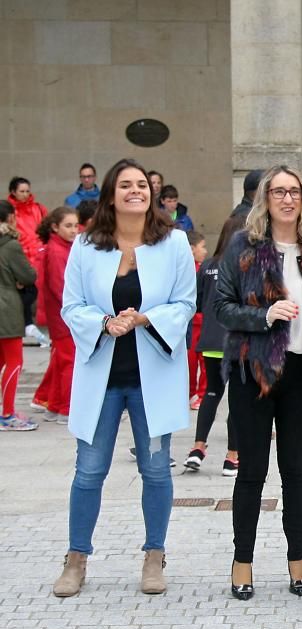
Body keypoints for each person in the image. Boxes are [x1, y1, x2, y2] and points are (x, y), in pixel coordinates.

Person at [52, 158, 196, 597]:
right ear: (110, 193)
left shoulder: (174, 243)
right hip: (103, 376)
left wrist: (147, 318)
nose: (136, 191)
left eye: (142, 185)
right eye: (126, 185)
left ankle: (155, 555)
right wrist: (102, 323)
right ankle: (77, 558)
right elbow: (70, 306)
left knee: (155, 470)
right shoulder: (86, 246)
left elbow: (186, 304)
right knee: (88, 471)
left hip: (152, 376)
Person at [215, 165, 302, 601]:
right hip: (255, 370)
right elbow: (222, 307)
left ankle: (296, 556)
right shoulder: (243, 246)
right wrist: (264, 316)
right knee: (252, 471)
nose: (287, 199)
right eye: (279, 191)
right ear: (265, 198)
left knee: (296, 469)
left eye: (295, 192)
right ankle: (242, 559)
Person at [184, 216, 244, 477]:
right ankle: (232, 457)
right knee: (237, 399)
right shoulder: (245, 266)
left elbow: (196, 302)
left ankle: (197, 448)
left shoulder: (208, 266)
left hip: (210, 341)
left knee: (211, 393)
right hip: (238, 342)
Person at [32, 207, 80, 424]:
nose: (73, 230)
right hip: (63, 316)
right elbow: (61, 286)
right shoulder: (58, 251)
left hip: (61, 315)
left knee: (62, 361)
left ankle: (56, 406)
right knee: (69, 362)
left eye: (75, 225)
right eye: (68, 226)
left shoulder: (60, 248)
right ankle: (66, 408)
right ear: (55, 227)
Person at [0, 201, 38, 431]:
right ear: (12, 218)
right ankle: (7, 414)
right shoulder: (11, 245)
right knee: (14, 361)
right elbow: (29, 275)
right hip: (6, 307)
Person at [7, 177, 49, 347]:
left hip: (37, 257)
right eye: (21, 191)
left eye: (27, 191)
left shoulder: (37, 209)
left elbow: (45, 228)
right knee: (25, 294)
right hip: (20, 258)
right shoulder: (10, 212)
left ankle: (27, 325)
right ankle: (25, 324)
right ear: (13, 192)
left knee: (33, 294)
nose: (25, 194)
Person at [186, 230, 208, 408]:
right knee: (200, 360)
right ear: (192, 248)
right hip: (198, 320)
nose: (205, 250)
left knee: (190, 360)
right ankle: (199, 395)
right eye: (203, 246)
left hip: (192, 321)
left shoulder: (197, 268)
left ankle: (191, 394)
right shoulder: (198, 270)